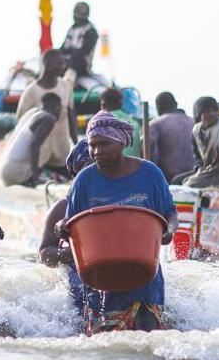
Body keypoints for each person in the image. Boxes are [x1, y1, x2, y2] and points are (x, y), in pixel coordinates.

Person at [60, 111, 178, 335]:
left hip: (144, 272)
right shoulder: (84, 180)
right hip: (100, 275)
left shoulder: (150, 174)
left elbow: (170, 214)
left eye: (103, 144)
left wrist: (168, 230)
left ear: (121, 142)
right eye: (93, 145)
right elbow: (71, 225)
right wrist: (60, 227)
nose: (96, 152)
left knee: (147, 335)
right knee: (106, 341)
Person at [38, 139, 92, 321]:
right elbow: (45, 253)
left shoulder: (117, 200)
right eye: (89, 168)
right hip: (78, 280)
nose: (96, 174)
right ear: (77, 174)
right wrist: (75, 253)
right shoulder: (63, 207)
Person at [15, 49, 77, 162]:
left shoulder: (65, 87)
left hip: (62, 155)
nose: (63, 66)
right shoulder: (30, 92)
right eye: (59, 63)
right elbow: (21, 124)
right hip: (38, 158)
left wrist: (77, 144)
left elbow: (70, 115)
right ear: (48, 66)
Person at [181, 97, 219, 193]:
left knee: (189, 185)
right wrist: (199, 170)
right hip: (209, 173)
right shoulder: (196, 130)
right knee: (183, 181)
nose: (212, 114)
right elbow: (198, 158)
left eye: (215, 111)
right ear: (199, 114)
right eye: (208, 111)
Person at [1, 92, 64, 186]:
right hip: (15, 172)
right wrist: (36, 176)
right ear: (54, 106)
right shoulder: (49, 118)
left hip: (6, 169)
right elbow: (34, 144)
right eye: (60, 108)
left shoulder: (34, 113)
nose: (60, 112)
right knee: (59, 178)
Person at [148, 92, 195, 180]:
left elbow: (148, 150)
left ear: (158, 107)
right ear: (176, 104)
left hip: (168, 179)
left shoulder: (156, 123)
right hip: (194, 175)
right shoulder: (193, 122)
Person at [59, 2, 100, 88]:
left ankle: (68, 84)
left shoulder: (91, 31)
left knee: (76, 57)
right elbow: (64, 48)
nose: (77, 19)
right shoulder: (72, 29)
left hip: (81, 66)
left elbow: (83, 52)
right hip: (65, 64)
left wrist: (69, 58)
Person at [100, 88, 143, 157]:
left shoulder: (101, 123)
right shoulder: (135, 123)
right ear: (120, 104)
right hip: (136, 165)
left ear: (104, 104)